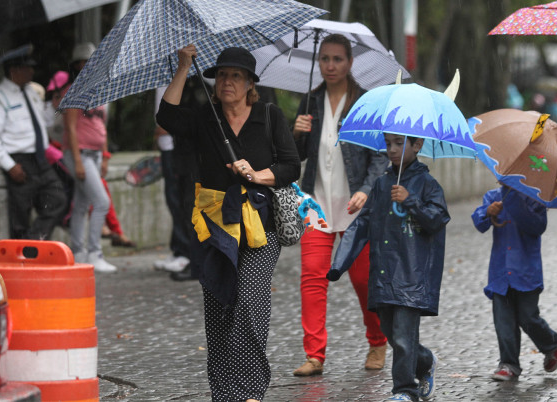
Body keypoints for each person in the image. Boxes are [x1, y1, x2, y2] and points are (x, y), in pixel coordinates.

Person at [157, 44, 300, 402]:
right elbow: (167, 116)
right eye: (221, 75)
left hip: (259, 226)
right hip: (215, 225)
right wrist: (183, 66)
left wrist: (255, 173)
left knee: (250, 299)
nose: (227, 82)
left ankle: (251, 391)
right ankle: (224, 394)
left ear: (250, 82)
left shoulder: (268, 115)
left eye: (236, 76)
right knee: (220, 305)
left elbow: (290, 166)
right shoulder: (206, 118)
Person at [291, 33, 389, 376]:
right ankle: (314, 354)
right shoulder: (310, 102)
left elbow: (381, 156)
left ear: (349, 63)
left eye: (337, 59)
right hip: (316, 206)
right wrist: (297, 133)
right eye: (324, 59)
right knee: (312, 278)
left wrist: (366, 189)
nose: (330, 65)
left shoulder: (365, 102)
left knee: (363, 280)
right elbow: (294, 157)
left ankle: (377, 341)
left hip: (355, 210)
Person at [327, 133, 449, 402]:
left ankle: (405, 390)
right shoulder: (382, 184)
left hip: (411, 274)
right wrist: (340, 263)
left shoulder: (427, 184)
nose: (391, 150)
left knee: (404, 338)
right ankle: (426, 361)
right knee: (392, 334)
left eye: (399, 143)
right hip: (383, 273)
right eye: (388, 144)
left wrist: (410, 200)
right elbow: (362, 224)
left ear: (417, 146)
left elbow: (437, 219)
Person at [471, 186, 557, 381]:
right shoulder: (493, 196)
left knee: (528, 317)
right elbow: (479, 223)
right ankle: (508, 363)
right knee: (503, 321)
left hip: (526, 273)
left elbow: (537, 227)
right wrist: (488, 212)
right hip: (500, 273)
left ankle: (551, 342)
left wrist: (515, 201)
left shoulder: (535, 198)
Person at [0, 44, 67, 239]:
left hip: (40, 159)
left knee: (57, 199)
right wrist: (10, 165)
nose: (32, 71)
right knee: (20, 215)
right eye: (27, 67)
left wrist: (57, 106)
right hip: (19, 160)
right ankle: (23, 256)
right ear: (14, 71)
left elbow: (44, 121)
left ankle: (33, 243)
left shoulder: (30, 91)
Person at [61, 42, 118, 273]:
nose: (88, 66)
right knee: (101, 202)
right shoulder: (72, 91)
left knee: (82, 204)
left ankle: (78, 252)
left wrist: (104, 156)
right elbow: (70, 128)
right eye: (83, 62)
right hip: (80, 153)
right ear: (76, 65)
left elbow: (101, 126)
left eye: (92, 61)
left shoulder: (100, 90)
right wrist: (76, 160)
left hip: (94, 154)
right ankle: (95, 252)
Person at [153, 85, 198, 279]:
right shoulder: (162, 74)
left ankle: (186, 252)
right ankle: (179, 249)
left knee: (182, 201)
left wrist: (165, 125)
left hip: (178, 147)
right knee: (175, 200)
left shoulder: (184, 78)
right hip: (169, 147)